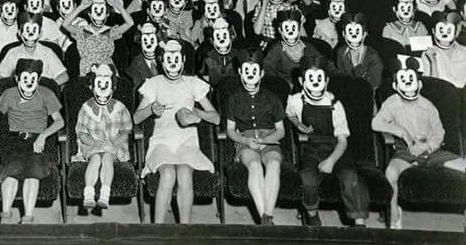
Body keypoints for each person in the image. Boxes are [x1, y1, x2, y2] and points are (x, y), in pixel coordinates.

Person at [371, 58, 466, 229]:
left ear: (419, 85)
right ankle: (394, 216)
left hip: (432, 150)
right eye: (403, 82)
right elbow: (376, 123)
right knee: (390, 173)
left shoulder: (428, 106)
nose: (408, 86)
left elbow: (439, 132)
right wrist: (400, 131)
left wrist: (427, 146)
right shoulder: (391, 103)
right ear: (396, 87)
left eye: (411, 81)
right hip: (406, 151)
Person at [134, 40, 220, 224]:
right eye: (168, 59)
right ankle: (158, 229)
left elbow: (216, 118)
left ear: (183, 60)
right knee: (167, 174)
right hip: (162, 141)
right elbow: (136, 118)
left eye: (176, 58)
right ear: (161, 62)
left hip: (186, 141)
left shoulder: (193, 83)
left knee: (184, 174)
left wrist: (196, 113)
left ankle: (185, 230)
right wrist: (151, 109)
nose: (172, 63)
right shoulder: (153, 84)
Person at [0, 58, 64, 224]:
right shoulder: (9, 94)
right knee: (12, 169)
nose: (29, 83)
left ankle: (27, 218)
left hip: (37, 139)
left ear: (38, 80)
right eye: (24, 78)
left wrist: (43, 136)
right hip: (15, 140)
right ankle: (5, 215)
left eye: (33, 79)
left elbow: (60, 121)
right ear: (17, 78)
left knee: (34, 172)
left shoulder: (46, 93)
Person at [286, 55, 369, 226]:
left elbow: (343, 141)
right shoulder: (295, 100)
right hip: (313, 149)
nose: (315, 84)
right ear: (302, 81)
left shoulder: (335, 104)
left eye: (319, 79)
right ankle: (312, 216)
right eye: (311, 79)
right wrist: (298, 124)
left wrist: (331, 161)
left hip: (337, 148)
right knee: (307, 179)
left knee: (351, 179)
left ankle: (360, 225)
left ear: (326, 81)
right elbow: (289, 113)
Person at [226, 49, 285, 225]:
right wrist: (246, 141)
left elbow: (281, 131)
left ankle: (267, 216)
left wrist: (265, 140)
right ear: (240, 72)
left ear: (261, 74)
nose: (250, 76)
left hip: (269, 139)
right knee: (254, 165)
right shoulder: (234, 99)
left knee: (274, 164)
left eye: (254, 72)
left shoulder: (272, 98)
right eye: (246, 71)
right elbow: (230, 130)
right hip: (245, 139)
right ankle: (265, 219)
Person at [73, 64, 132, 210]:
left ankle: (105, 193)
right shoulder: (86, 108)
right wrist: (93, 143)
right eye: (99, 84)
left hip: (113, 146)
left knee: (106, 157)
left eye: (107, 84)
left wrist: (113, 143)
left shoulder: (120, 107)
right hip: (92, 145)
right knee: (95, 158)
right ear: (92, 87)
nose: (103, 88)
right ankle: (89, 193)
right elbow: (81, 132)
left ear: (113, 87)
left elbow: (125, 131)